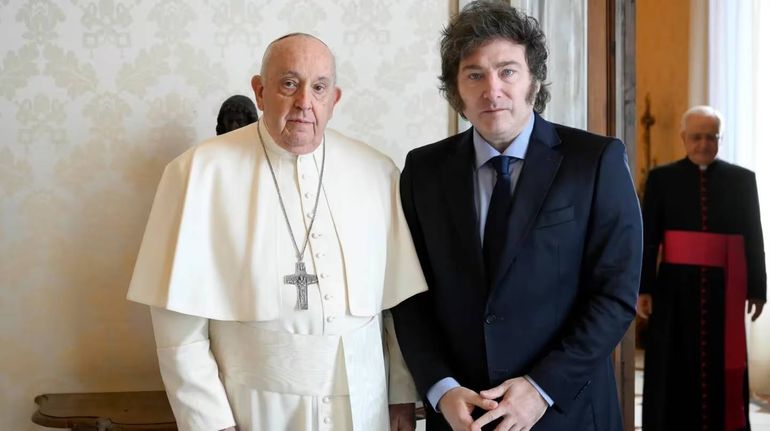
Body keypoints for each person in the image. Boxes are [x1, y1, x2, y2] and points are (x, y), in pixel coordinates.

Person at [127, 33, 427, 431]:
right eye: (289, 83)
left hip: (363, 408)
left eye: (318, 88)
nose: (304, 102)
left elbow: (396, 308)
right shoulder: (197, 173)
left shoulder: (377, 171)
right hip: (254, 408)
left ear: (334, 99)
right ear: (260, 91)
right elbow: (177, 328)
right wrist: (209, 422)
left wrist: (400, 396)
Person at [391, 2, 642, 430]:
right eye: (474, 75)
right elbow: (410, 296)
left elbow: (615, 296)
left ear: (534, 80)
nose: (492, 90)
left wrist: (542, 387)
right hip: (461, 414)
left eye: (507, 71)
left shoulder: (595, 161)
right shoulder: (423, 171)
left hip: (567, 411)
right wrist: (441, 388)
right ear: (456, 90)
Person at [639, 105, 766, 431]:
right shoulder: (661, 179)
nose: (704, 144)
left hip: (725, 290)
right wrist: (644, 287)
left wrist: (757, 288)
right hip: (674, 291)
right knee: (673, 362)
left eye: (711, 137)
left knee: (722, 361)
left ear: (720, 139)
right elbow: (648, 239)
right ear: (684, 138)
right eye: (697, 137)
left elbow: (754, 237)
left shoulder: (742, 180)